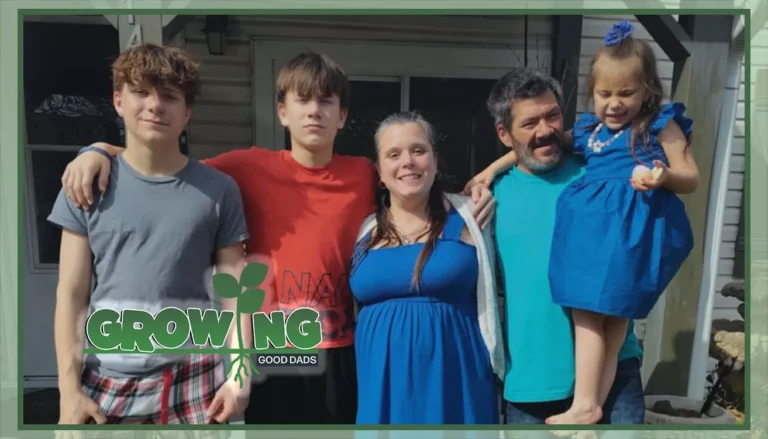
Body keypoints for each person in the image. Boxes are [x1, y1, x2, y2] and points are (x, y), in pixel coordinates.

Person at [57, 51, 497, 424]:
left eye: (327, 102)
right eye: (301, 100)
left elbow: (415, 185)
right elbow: (161, 159)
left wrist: (485, 180)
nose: (314, 111)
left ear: (342, 115)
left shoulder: (364, 174)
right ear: (282, 111)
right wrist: (97, 150)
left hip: (343, 347)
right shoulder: (244, 167)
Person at [468, 21, 699, 425]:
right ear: (505, 134)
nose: (546, 131)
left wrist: (660, 178)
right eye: (529, 124)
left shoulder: (596, 167)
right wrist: (486, 175)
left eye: (553, 116)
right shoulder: (490, 196)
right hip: (531, 380)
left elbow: (667, 206)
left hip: (616, 377)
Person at [49, 43, 252, 425]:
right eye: (141, 92)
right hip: (109, 380)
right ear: (118, 100)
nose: (155, 105)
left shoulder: (219, 190)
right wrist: (68, 392)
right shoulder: (86, 184)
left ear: (186, 112)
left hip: (196, 380)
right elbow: (71, 294)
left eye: (170, 96)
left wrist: (240, 375)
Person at [349, 111, 504, 424]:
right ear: (380, 172)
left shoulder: (472, 216)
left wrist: (495, 169)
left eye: (418, 151)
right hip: (382, 385)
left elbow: (547, 147)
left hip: (457, 381)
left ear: (434, 162)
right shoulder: (362, 230)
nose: (407, 161)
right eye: (394, 154)